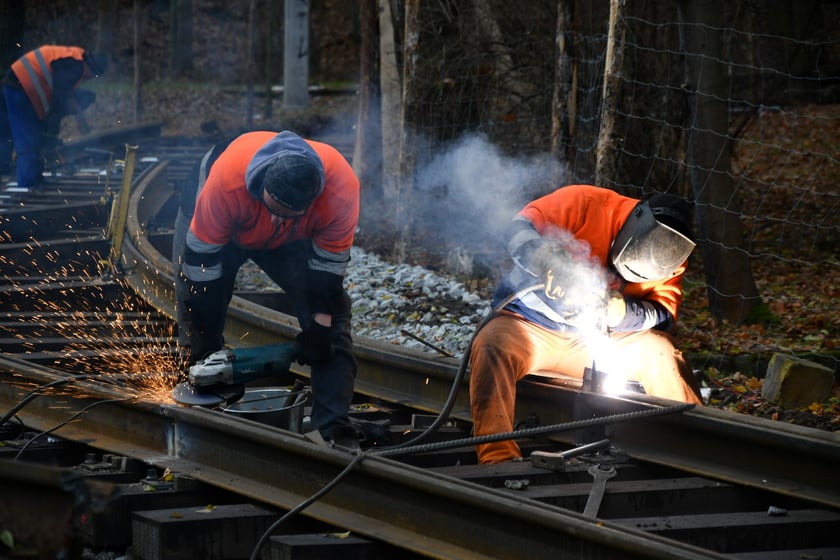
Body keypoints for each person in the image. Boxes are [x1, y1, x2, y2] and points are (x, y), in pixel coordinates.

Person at [469, 184, 703, 464]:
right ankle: (498, 458)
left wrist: (621, 311)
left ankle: (693, 454)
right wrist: (546, 260)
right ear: (634, 222)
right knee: (491, 346)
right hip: (530, 329)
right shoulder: (584, 202)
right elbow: (517, 230)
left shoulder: (671, 255)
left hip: (598, 341)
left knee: (661, 352)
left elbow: (663, 313)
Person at [172, 130, 361, 446]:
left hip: (293, 240)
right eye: (272, 210)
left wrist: (320, 326)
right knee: (198, 314)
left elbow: (328, 271)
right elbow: (199, 267)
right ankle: (199, 403)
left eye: (286, 215)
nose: (274, 221)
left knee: (333, 323)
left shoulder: (341, 190)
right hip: (223, 230)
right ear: (260, 187)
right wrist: (204, 323)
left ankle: (333, 428)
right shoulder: (224, 184)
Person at [0, 45, 107, 186]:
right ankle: (28, 184)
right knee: (29, 141)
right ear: (92, 70)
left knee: (6, 136)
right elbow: (58, 98)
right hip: (22, 86)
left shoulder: (74, 58)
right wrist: (52, 131)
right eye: (94, 76)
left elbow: (55, 96)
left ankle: (4, 170)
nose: (89, 79)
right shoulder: (77, 67)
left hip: (13, 81)